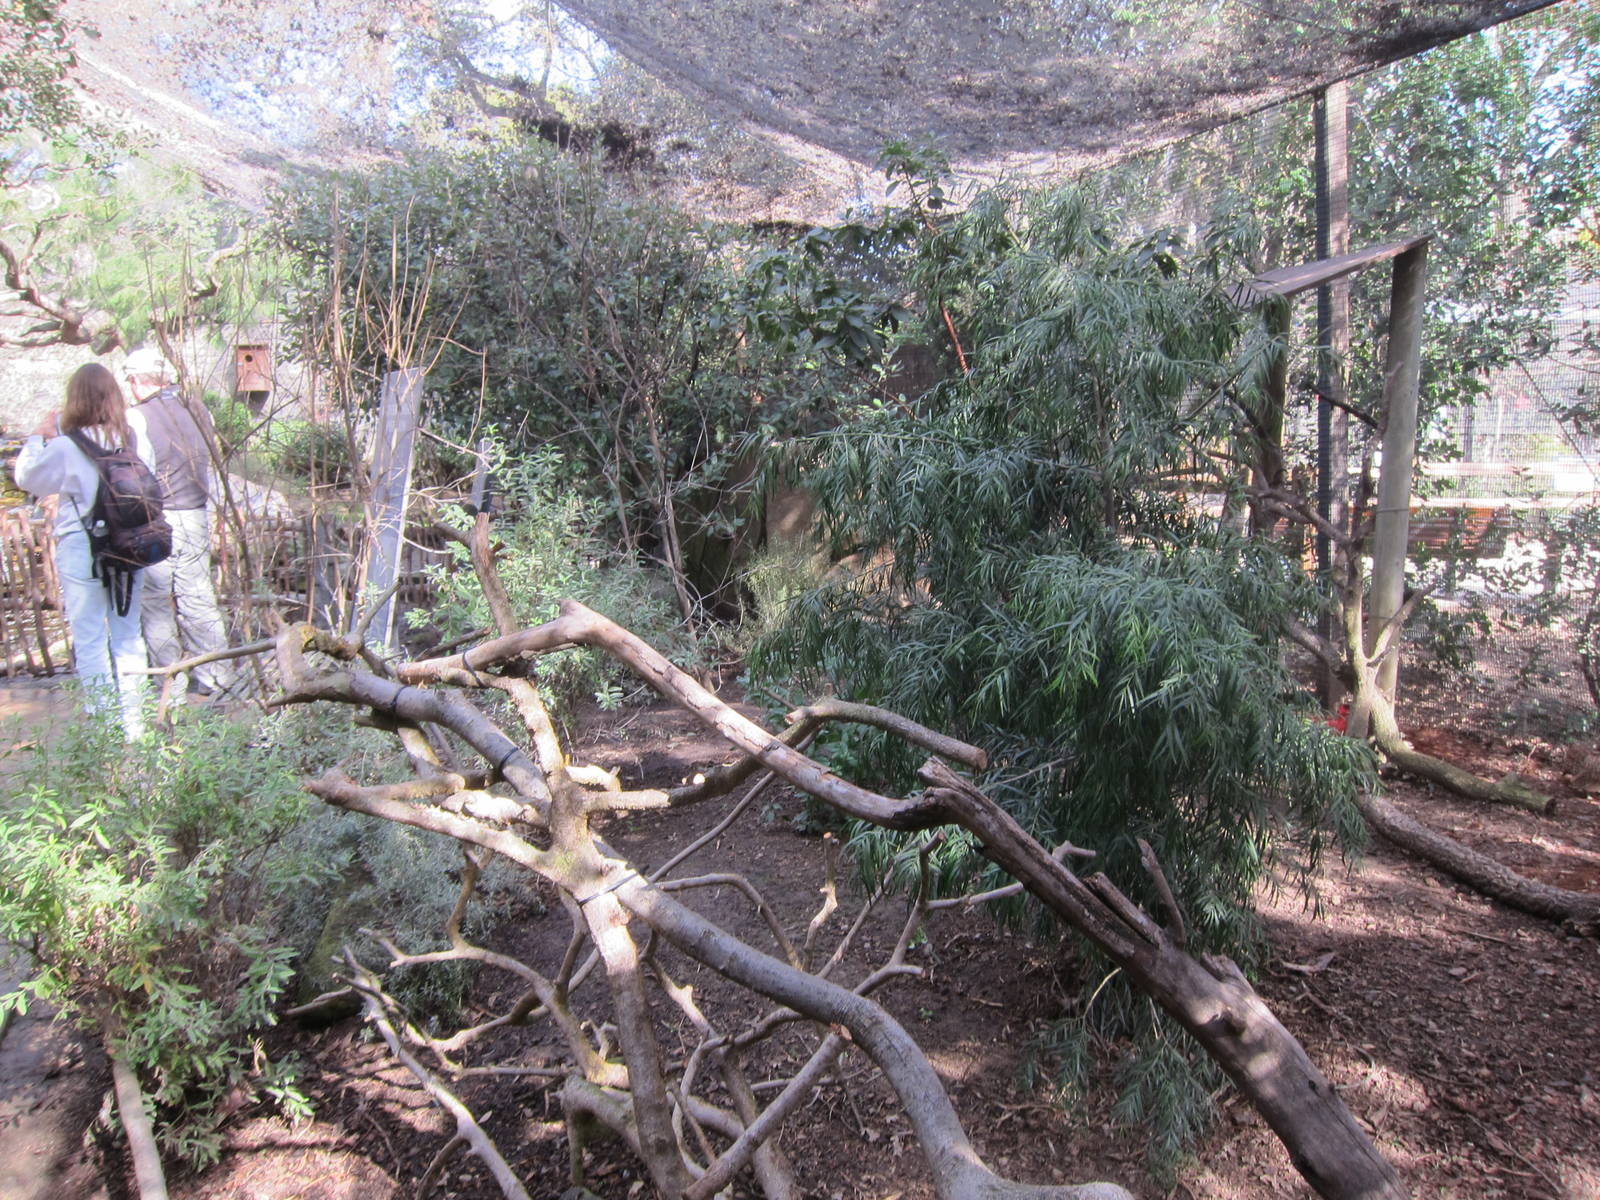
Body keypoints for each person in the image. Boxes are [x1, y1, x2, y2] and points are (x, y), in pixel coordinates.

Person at [13, 362, 154, 739]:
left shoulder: (66, 446)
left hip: (84, 549)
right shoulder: (135, 434)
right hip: (130, 545)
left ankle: (105, 728)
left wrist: (37, 438)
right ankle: (136, 727)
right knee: (128, 634)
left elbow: (27, 479)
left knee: (90, 636)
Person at [122, 346, 231, 697]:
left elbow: (141, 474)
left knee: (155, 603)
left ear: (137, 381)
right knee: (198, 596)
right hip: (197, 510)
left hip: (161, 516)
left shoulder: (136, 417)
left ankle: (170, 681)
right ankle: (219, 678)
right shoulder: (197, 409)